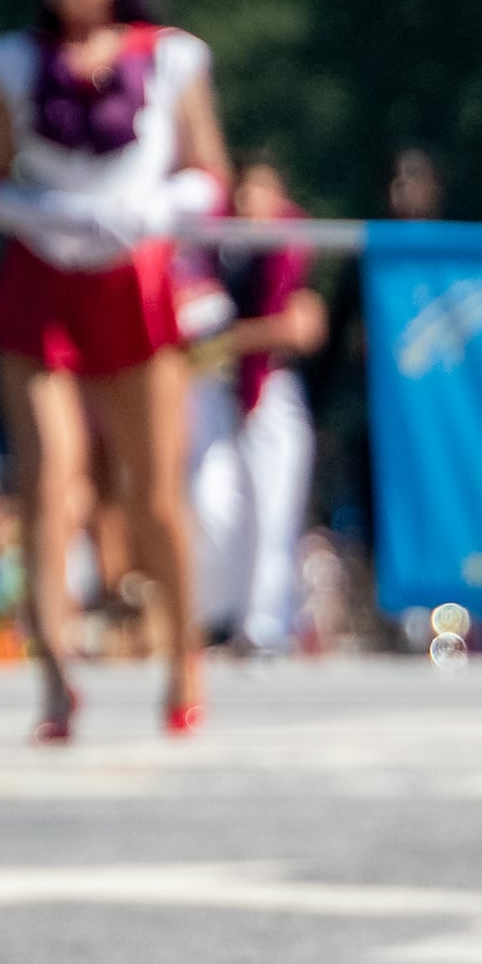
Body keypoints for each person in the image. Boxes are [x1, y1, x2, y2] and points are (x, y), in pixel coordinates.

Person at [0, 0, 221, 742]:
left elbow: (209, 177)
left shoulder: (174, 58)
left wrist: (154, 210)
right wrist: (40, 215)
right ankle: (54, 675)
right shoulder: (9, 63)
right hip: (43, 284)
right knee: (49, 484)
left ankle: (184, 657)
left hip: (136, 283)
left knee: (153, 491)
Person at [188, 157, 328, 658]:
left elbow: (301, 327)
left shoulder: (289, 252)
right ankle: (216, 615)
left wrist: (235, 340)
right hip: (218, 394)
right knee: (215, 504)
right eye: (243, 192)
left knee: (272, 511)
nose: (249, 204)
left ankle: (265, 625)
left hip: (271, 390)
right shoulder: (217, 253)